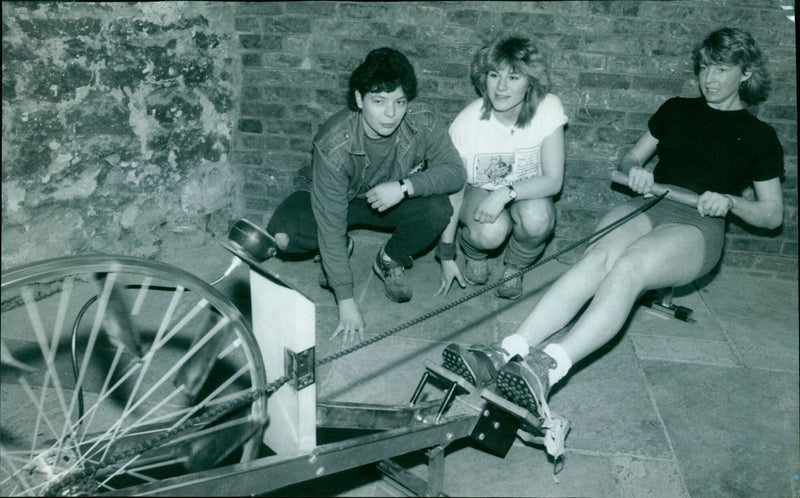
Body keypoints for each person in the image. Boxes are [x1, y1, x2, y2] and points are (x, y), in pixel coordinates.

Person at [441, 27, 784, 448]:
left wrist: (730, 202)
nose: (709, 79)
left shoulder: (758, 135)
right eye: (705, 68)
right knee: (597, 256)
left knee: (629, 268)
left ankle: (548, 368)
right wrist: (637, 169)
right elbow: (631, 157)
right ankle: (509, 349)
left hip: (697, 223)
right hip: (650, 204)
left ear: (746, 73)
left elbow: (771, 215)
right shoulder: (677, 108)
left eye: (722, 70)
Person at [263, 47, 465, 346]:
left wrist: (404, 186)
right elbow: (330, 221)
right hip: (335, 198)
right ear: (359, 100)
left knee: (438, 208)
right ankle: (339, 251)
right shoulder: (333, 143)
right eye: (378, 101)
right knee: (283, 236)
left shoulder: (422, 120)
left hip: (387, 197)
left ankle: (388, 259)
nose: (390, 113)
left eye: (399, 102)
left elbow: (455, 172)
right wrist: (345, 299)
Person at [434, 36, 567, 301]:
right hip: (478, 191)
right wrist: (446, 251)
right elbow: (453, 192)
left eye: (514, 77)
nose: (501, 87)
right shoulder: (467, 124)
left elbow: (553, 181)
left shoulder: (548, 108)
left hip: (526, 191)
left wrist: (505, 192)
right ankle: (474, 251)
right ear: (484, 78)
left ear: (531, 82)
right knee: (491, 232)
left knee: (538, 218)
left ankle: (514, 267)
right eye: (495, 75)